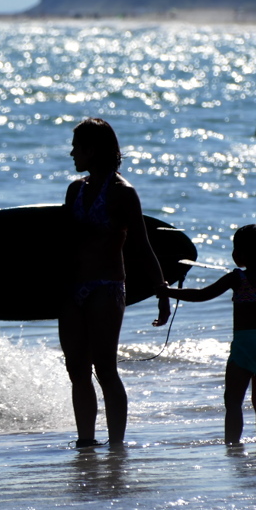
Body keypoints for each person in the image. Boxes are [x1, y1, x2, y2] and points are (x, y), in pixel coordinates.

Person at [61, 118, 171, 448]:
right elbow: (64, 243)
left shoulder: (123, 193)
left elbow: (142, 246)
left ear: (92, 150)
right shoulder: (75, 189)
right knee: (76, 368)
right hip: (72, 289)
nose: (72, 153)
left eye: (77, 146)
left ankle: (116, 446)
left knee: (105, 367)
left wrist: (161, 293)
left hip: (107, 287)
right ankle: (85, 442)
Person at [158, 224, 256, 444]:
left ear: (242, 253)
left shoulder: (237, 278)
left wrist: (168, 290)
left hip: (245, 345)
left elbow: (202, 294)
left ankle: (233, 446)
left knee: (233, 401)